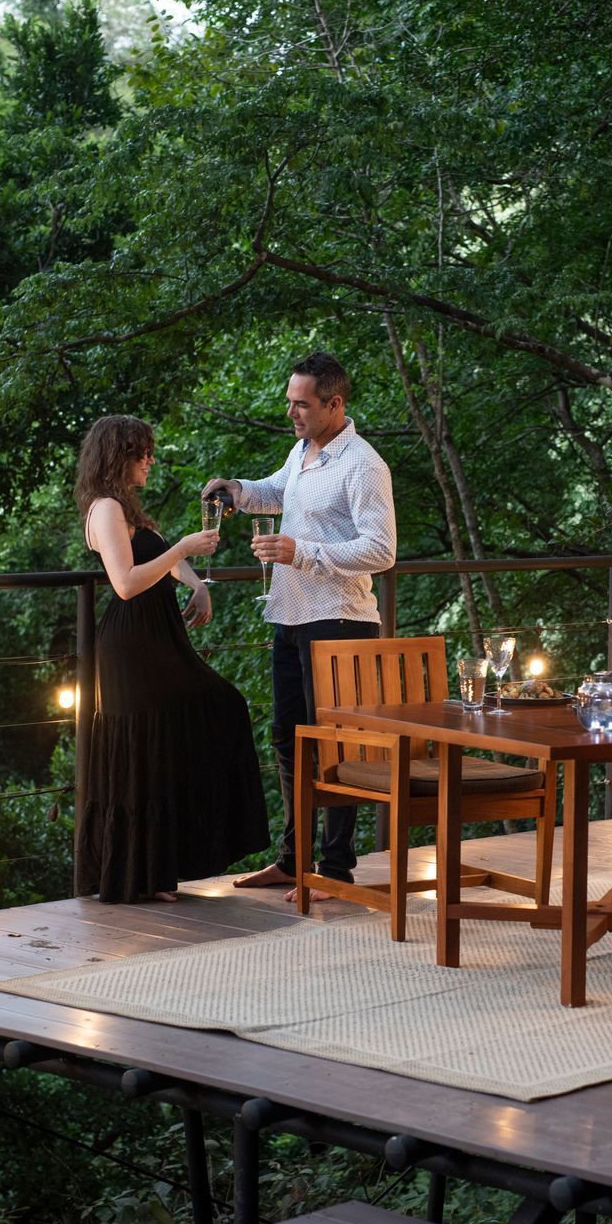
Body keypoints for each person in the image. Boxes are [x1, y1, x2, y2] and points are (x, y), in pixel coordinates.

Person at [205, 352, 396, 899]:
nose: (291, 412)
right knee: (288, 739)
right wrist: (238, 489)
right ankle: (295, 859)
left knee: (339, 746)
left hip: (340, 621)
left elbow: (381, 550)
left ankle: (334, 869)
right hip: (290, 614)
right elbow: (280, 490)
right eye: (290, 402)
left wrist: (301, 551)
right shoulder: (304, 450)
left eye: (301, 404)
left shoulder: (364, 465)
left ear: (335, 404)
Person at [75, 414, 271, 903]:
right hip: (133, 643)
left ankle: (158, 868)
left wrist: (195, 580)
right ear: (121, 455)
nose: (151, 460)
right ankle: (135, 874)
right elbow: (125, 581)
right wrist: (184, 546)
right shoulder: (103, 509)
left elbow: (158, 555)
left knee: (206, 715)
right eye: (143, 452)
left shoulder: (128, 507)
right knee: (151, 743)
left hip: (159, 638)